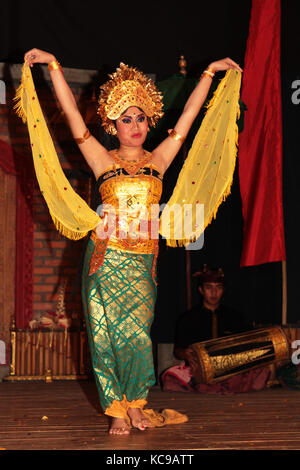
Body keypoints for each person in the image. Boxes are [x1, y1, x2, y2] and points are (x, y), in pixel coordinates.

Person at [21, 48, 242, 434]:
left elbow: (188, 119)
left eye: (141, 117)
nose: (135, 125)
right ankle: (116, 410)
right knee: (105, 335)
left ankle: (136, 403)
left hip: (142, 262)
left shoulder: (159, 159)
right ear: (113, 124)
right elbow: (73, 115)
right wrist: (54, 65)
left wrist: (208, 73)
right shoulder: (101, 160)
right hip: (105, 260)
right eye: (126, 119)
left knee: (138, 335)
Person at [161, 266, 272, 394]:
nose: (214, 293)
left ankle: (214, 386)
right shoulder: (188, 318)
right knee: (171, 377)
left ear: (223, 290)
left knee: (260, 370)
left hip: (230, 370)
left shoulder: (235, 317)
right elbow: (178, 351)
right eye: (209, 288)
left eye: (218, 288)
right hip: (199, 371)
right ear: (201, 290)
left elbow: (248, 345)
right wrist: (185, 354)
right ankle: (216, 386)